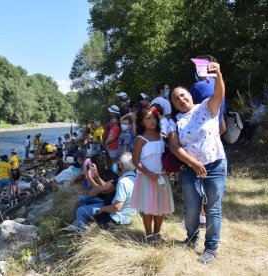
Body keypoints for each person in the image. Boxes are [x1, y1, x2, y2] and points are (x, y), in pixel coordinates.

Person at [169, 62, 226, 264]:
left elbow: (219, 93)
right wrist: (193, 163)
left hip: (215, 165)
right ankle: (191, 238)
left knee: (213, 209)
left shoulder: (207, 106)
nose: (181, 99)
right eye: (176, 99)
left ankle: (211, 248)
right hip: (190, 170)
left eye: (183, 95)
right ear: (174, 104)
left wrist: (218, 74)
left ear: (190, 95)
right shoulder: (175, 121)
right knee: (192, 208)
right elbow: (174, 147)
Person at [131, 106, 174, 245]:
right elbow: (135, 161)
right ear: (142, 122)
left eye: (154, 117)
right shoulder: (141, 139)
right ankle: (149, 235)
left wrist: (168, 169)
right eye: (148, 118)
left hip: (161, 177)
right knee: (148, 208)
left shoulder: (162, 136)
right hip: (147, 178)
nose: (152, 120)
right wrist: (149, 174)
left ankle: (157, 232)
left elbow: (165, 156)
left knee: (161, 207)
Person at [97, 152, 138, 226]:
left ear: (122, 165)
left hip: (120, 219)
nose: (117, 163)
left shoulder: (123, 182)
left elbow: (117, 207)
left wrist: (103, 209)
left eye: (119, 161)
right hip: (134, 218)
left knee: (96, 217)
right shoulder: (137, 179)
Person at [190, 55, 226, 134]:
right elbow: (223, 126)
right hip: (215, 133)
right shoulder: (220, 86)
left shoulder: (197, 87)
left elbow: (188, 113)